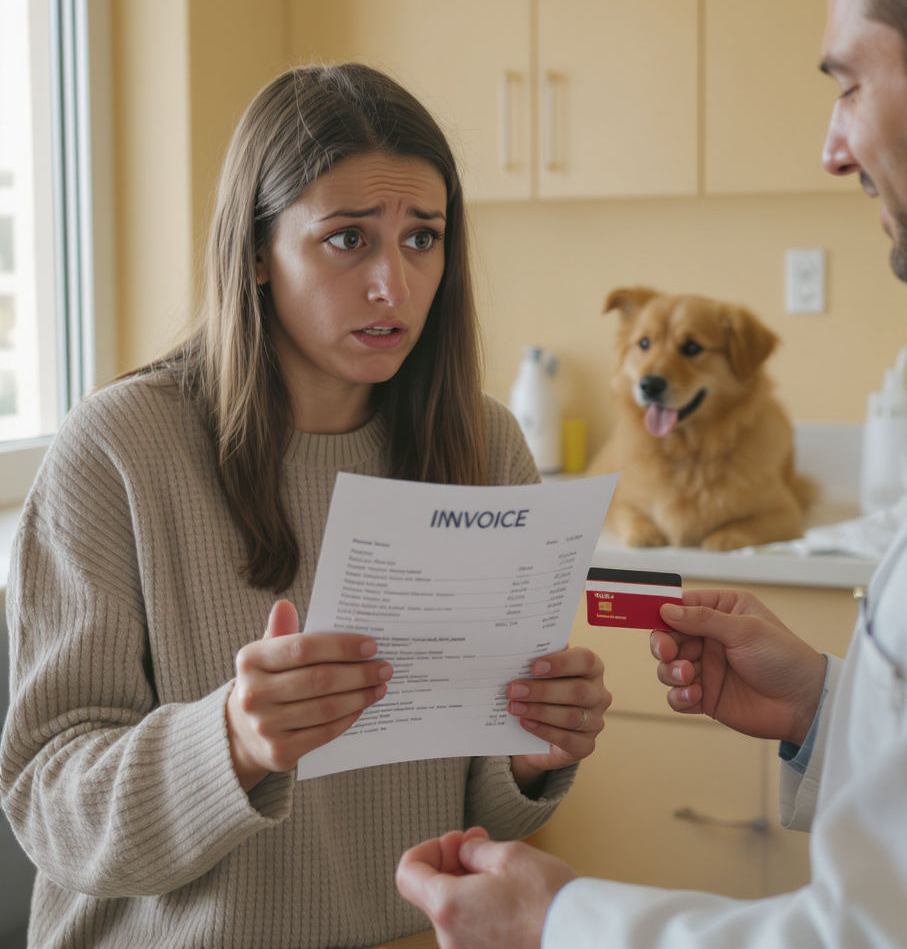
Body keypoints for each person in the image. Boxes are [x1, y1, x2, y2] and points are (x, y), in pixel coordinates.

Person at [394, 0, 907, 945]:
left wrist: (557, 921)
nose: (830, 146)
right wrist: (829, 707)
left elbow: (886, 933)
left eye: (849, 84)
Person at [0, 62, 612, 948]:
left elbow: (484, 812)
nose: (393, 286)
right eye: (347, 239)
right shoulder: (118, 450)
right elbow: (47, 805)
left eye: (422, 238)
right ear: (255, 251)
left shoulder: (485, 449)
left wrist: (529, 753)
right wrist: (232, 743)